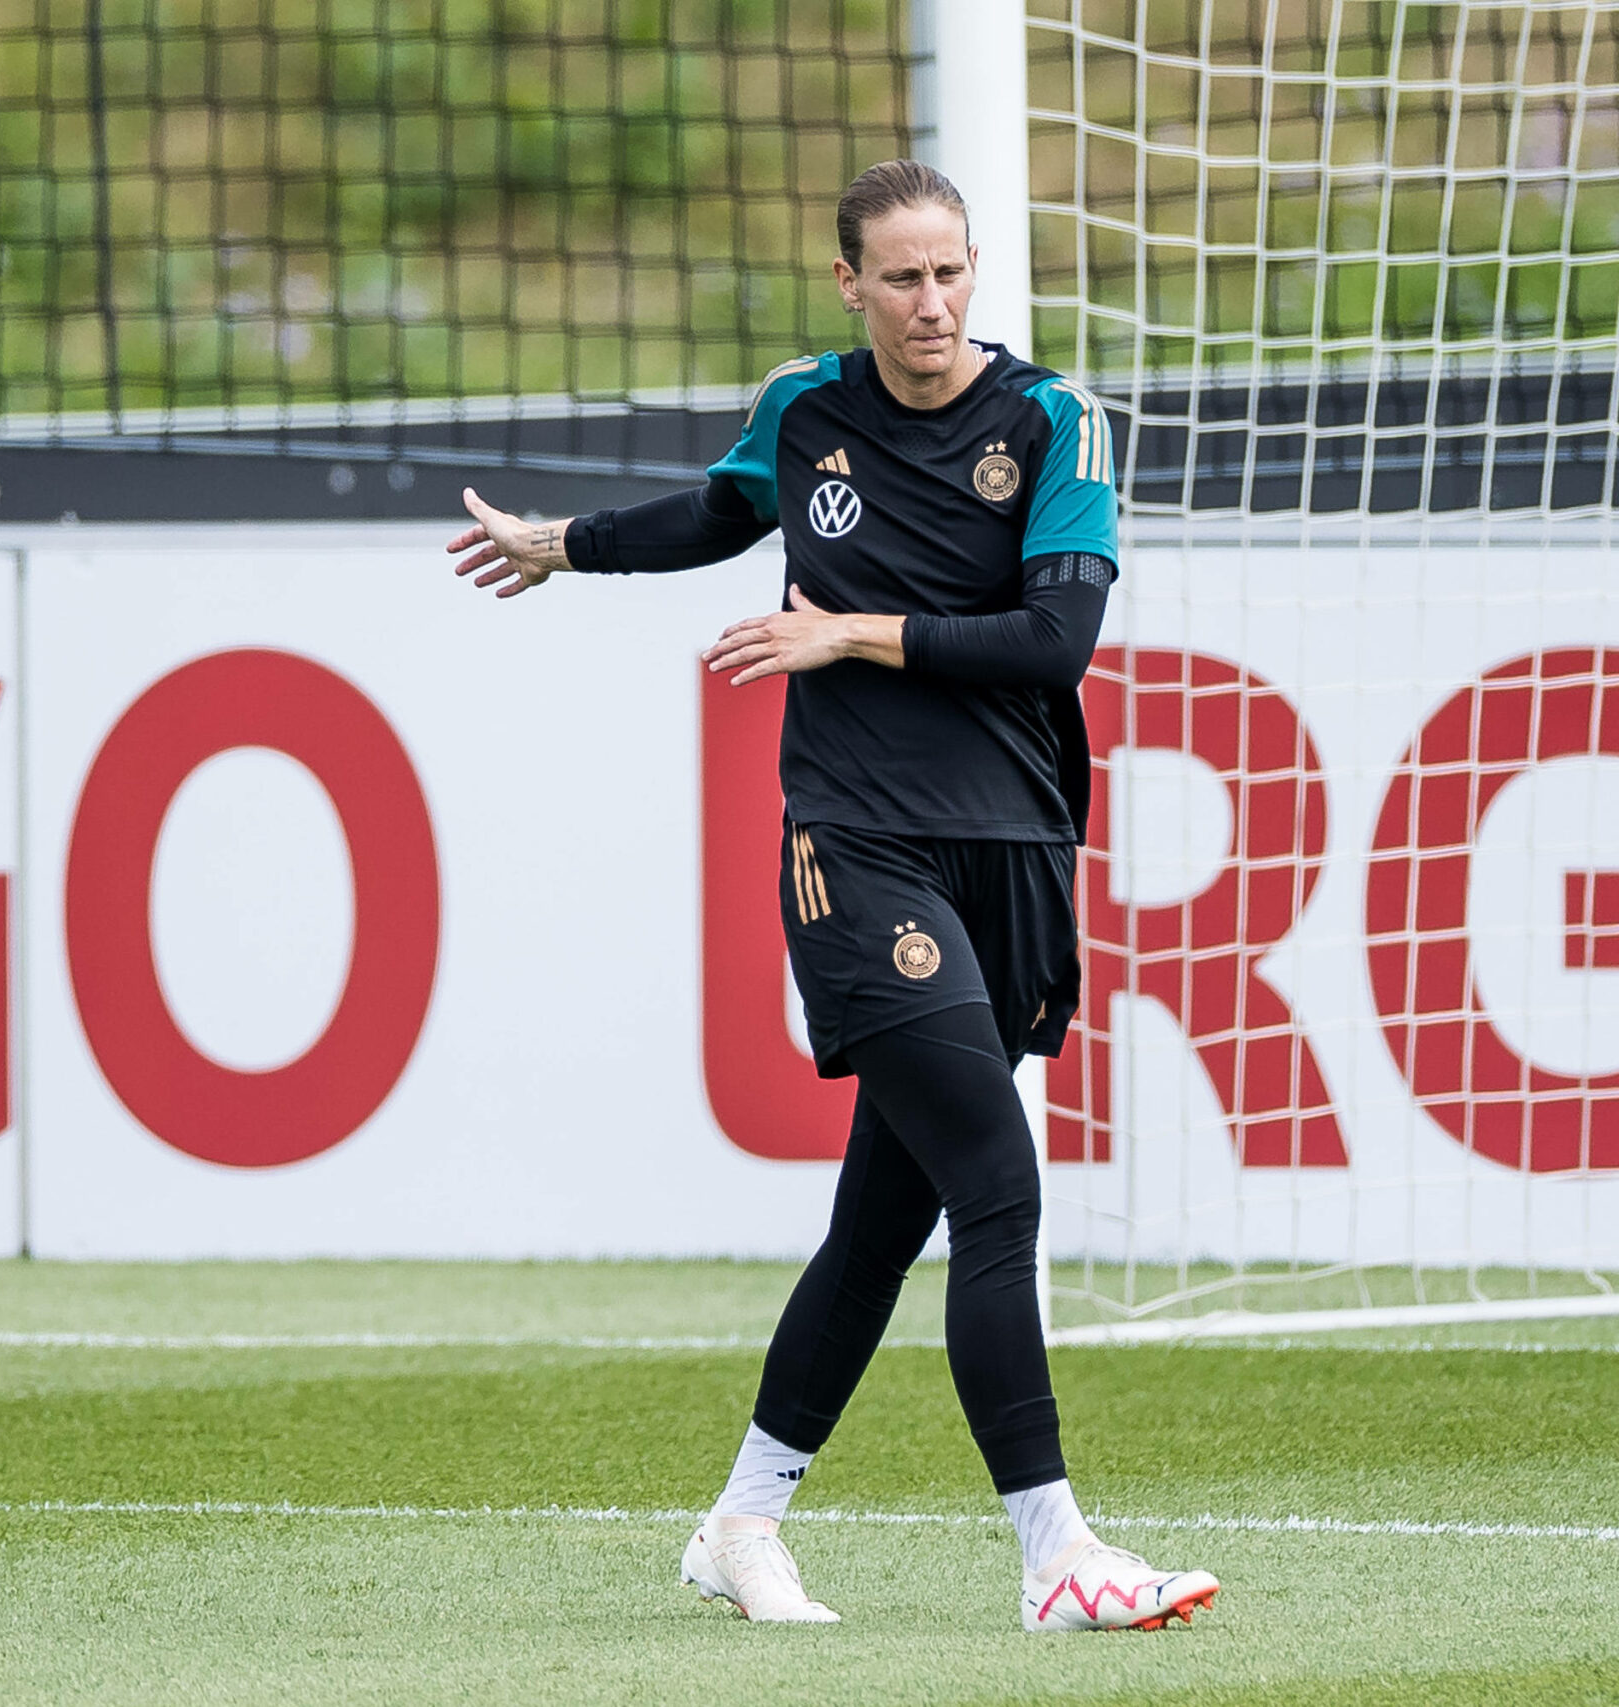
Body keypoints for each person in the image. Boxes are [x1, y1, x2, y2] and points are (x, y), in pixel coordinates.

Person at [442, 159, 1218, 1634]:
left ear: (976, 272)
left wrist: (848, 630)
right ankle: (1057, 1557)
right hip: (857, 849)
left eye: (952, 273)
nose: (933, 304)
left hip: (1014, 850)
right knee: (998, 1183)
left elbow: (1054, 643)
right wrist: (565, 547)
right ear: (848, 285)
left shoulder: (1055, 422)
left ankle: (741, 1523)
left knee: (883, 1220)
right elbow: (722, 509)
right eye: (902, 278)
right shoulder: (810, 408)